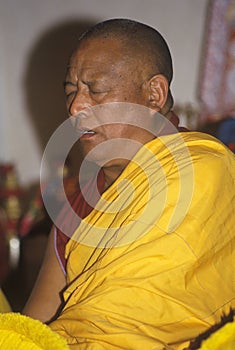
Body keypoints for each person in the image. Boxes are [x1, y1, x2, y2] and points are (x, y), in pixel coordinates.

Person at [22, 19, 235, 349]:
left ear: (154, 94)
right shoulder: (77, 211)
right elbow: (35, 327)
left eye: (96, 90)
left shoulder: (203, 169)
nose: (75, 107)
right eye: (70, 91)